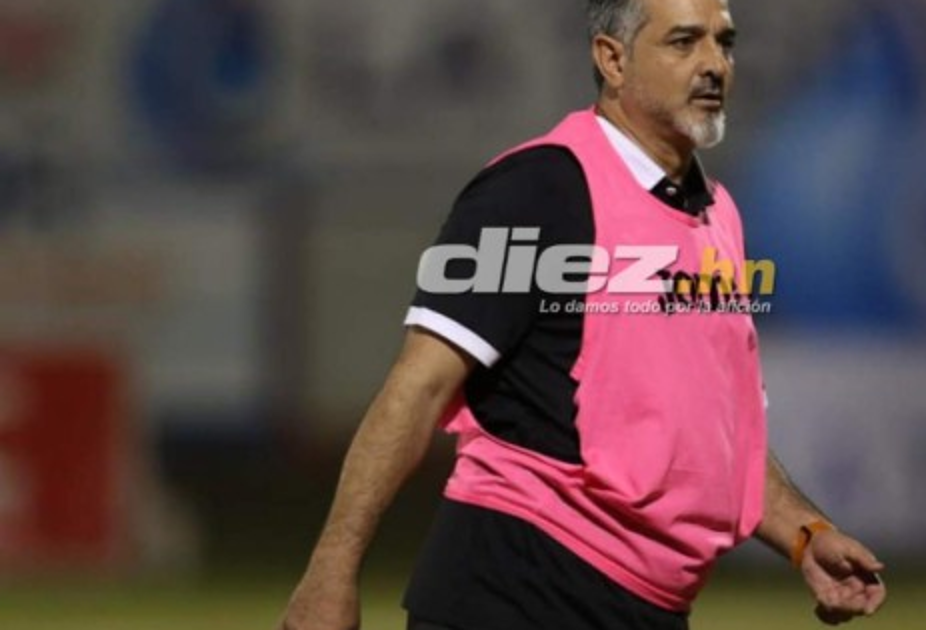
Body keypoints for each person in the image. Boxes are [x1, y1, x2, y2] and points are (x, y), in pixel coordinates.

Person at [279, 1, 888, 628]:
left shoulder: (718, 214)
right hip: (515, 587)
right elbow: (418, 385)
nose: (714, 65)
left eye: (723, 43)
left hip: (643, 606)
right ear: (612, 59)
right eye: (684, 42)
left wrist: (806, 535)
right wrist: (332, 569)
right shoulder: (537, 188)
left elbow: (718, 433)